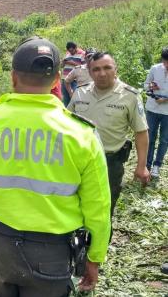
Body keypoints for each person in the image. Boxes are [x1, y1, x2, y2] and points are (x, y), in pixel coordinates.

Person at [0, 37, 111, 297]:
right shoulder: (82, 134)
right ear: (57, 80)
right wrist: (94, 257)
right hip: (52, 255)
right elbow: (98, 206)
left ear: (13, 77)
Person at [68, 52, 150, 216]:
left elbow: (140, 132)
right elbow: (67, 123)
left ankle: (102, 241)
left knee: (104, 209)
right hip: (79, 160)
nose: (102, 73)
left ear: (116, 69)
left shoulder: (130, 96)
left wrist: (141, 166)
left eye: (107, 68)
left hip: (110, 163)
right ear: (90, 72)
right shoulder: (80, 93)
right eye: (96, 69)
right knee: (75, 204)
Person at [143, 47, 168, 179]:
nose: (166, 65)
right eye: (165, 62)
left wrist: (165, 99)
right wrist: (151, 87)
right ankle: (147, 165)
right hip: (152, 109)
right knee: (150, 137)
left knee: (164, 140)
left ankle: (157, 165)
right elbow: (145, 85)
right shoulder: (155, 68)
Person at [61, 41, 86, 106]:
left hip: (75, 80)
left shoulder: (82, 54)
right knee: (66, 98)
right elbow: (61, 66)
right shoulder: (67, 53)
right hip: (65, 79)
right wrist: (63, 62)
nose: (71, 52)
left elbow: (85, 67)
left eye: (72, 51)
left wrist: (73, 63)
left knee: (75, 98)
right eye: (69, 51)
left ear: (76, 48)